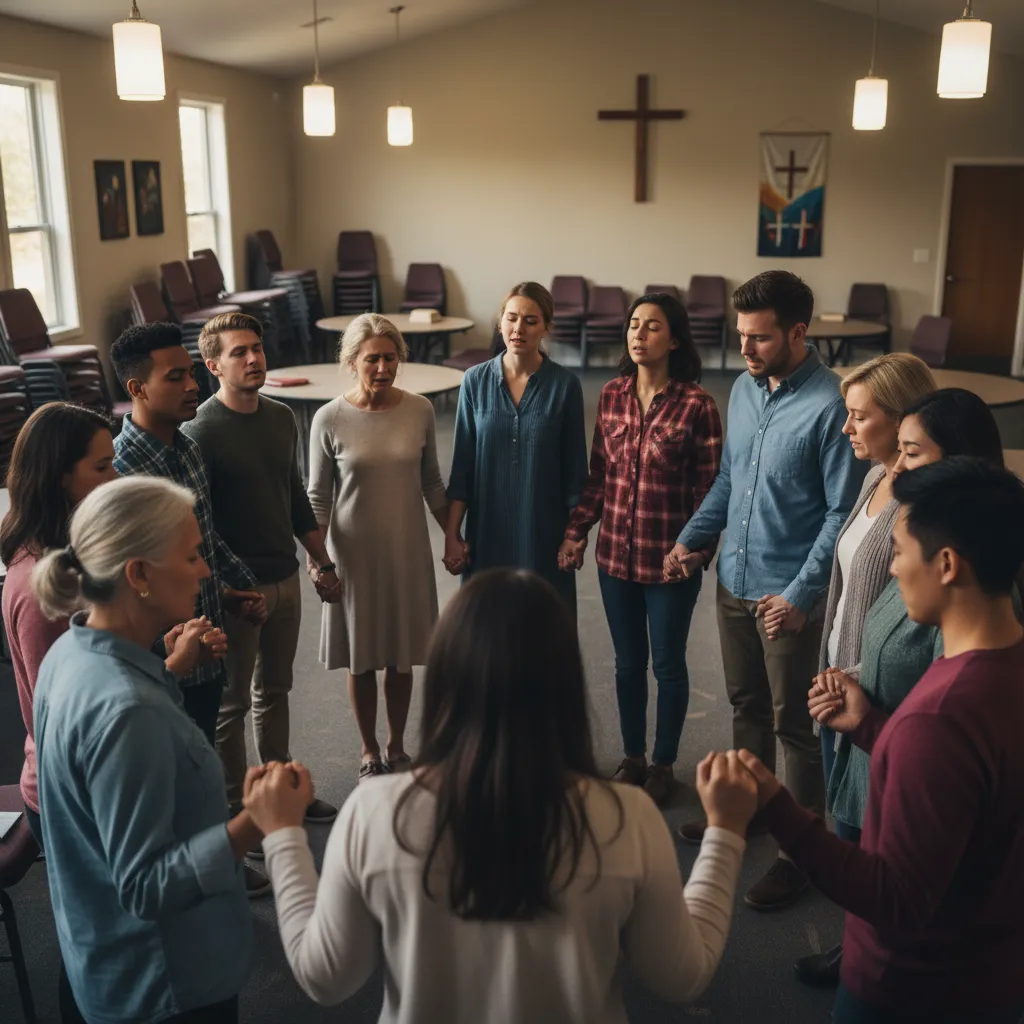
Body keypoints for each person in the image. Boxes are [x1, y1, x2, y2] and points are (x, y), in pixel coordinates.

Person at [244, 568, 758, 1023]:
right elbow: (681, 977)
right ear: (565, 684)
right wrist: (725, 832)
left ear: (445, 679)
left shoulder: (374, 813)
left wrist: (283, 836)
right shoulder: (627, 816)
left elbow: (327, 978)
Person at [741, 458, 1024, 1024]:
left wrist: (775, 806)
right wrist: (873, 726)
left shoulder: (940, 716)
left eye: (897, 550)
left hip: (908, 986)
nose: (892, 571)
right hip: (991, 971)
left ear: (946, 564)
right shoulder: (1003, 669)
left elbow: (893, 899)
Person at [798, 387, 1011, 987]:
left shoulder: (972, 590)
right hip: (874, 735)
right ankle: (851, 954)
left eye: (912, 453)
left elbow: (945, 726)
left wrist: (776, 812)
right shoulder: (924, 534)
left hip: (893, 753)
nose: (895, 465)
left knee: (894, 902)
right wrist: (860, 681)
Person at [668, 271, 866, 910]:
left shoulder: (834, 404)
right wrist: (691, 538)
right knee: (745, 703)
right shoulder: (744, 391)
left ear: (798, 333)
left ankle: (798, 852)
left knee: (796, 726)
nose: (745, 349)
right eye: (740, 335)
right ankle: (749, 810)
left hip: (788, 596)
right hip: (734, 579)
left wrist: (801, 594)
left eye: (758, 338)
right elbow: (730, 480)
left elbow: (840, 512)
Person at [33, 476, 263, 1024]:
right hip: (164, 987)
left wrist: (169, 668)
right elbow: (145, 885)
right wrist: (252, 824)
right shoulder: (128, 711)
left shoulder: (71, 650)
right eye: (191, 555)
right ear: (138, 574)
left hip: (104, 963)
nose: (205, 570)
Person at [787, 353, 934, 985]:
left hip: (874, 698)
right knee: (849, 835)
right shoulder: (874, 477)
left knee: (875, 843)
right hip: (837, 680)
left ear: (901, 420)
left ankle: (872, 964)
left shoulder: (923, 508)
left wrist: (854, 686)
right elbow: (848, 586)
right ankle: (855, 950)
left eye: (857, 417)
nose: (846, 429)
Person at [559, 293, 722, 805]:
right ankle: (632, 757)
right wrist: (577, 530)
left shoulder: (698, 404)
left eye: (652, 327)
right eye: (634, 324)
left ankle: (664, 763)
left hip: (670, 561)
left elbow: (711, 490)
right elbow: (599, 476)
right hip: (615, 558)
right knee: (627, 663)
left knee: (668, 664)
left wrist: (696, 550)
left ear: (674, 339)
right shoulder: (611, 395)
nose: (639, 334)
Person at [183, 311, 339, 828]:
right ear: (213, 365)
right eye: (238, 352)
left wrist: (321, 559)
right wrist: (225, 587)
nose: (253, 359)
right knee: (232, 704)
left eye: (257, 348)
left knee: (275, 690)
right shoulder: (197, 433)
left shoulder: (278, 417)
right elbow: (198, 525)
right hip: (235, 589)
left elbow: (294, 495)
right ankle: (235, 810)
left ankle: (280, 790)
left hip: (285, 575)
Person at [110, 322, 268, 745]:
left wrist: (234, 591)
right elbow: (134, 583)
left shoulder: (188, 448)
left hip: (206, 648)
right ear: (137, 388)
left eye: (192, 373)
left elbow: (201, 538)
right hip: (165, 659)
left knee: (203, 753)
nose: (192, 384)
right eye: (174, 377)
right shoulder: (123, 472)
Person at [307, 313, 448, 780]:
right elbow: (318, 496)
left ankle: (396, 743)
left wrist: (453, 534)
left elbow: (431, 482)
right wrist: (317, 558)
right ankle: (368, 749)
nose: (383, 368)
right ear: (352, 361)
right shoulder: (328, 418)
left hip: (407, 548)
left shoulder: (419, 410)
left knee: (401, 654)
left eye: (391, 358)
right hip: (352, 552)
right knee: (362, 654)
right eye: (373, 359)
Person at [445, 282, 588, 616]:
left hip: (544, 536)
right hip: (486, 535)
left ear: (546, 328)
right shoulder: (474, 382)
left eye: (530, 320)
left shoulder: (565, 386)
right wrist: (453, 534)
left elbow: (575, 474)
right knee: (486, 637)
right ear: (500, 322)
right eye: (511, 318)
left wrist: (574, 536)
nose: (518, 328)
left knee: (542, 634)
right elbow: (462, 468)